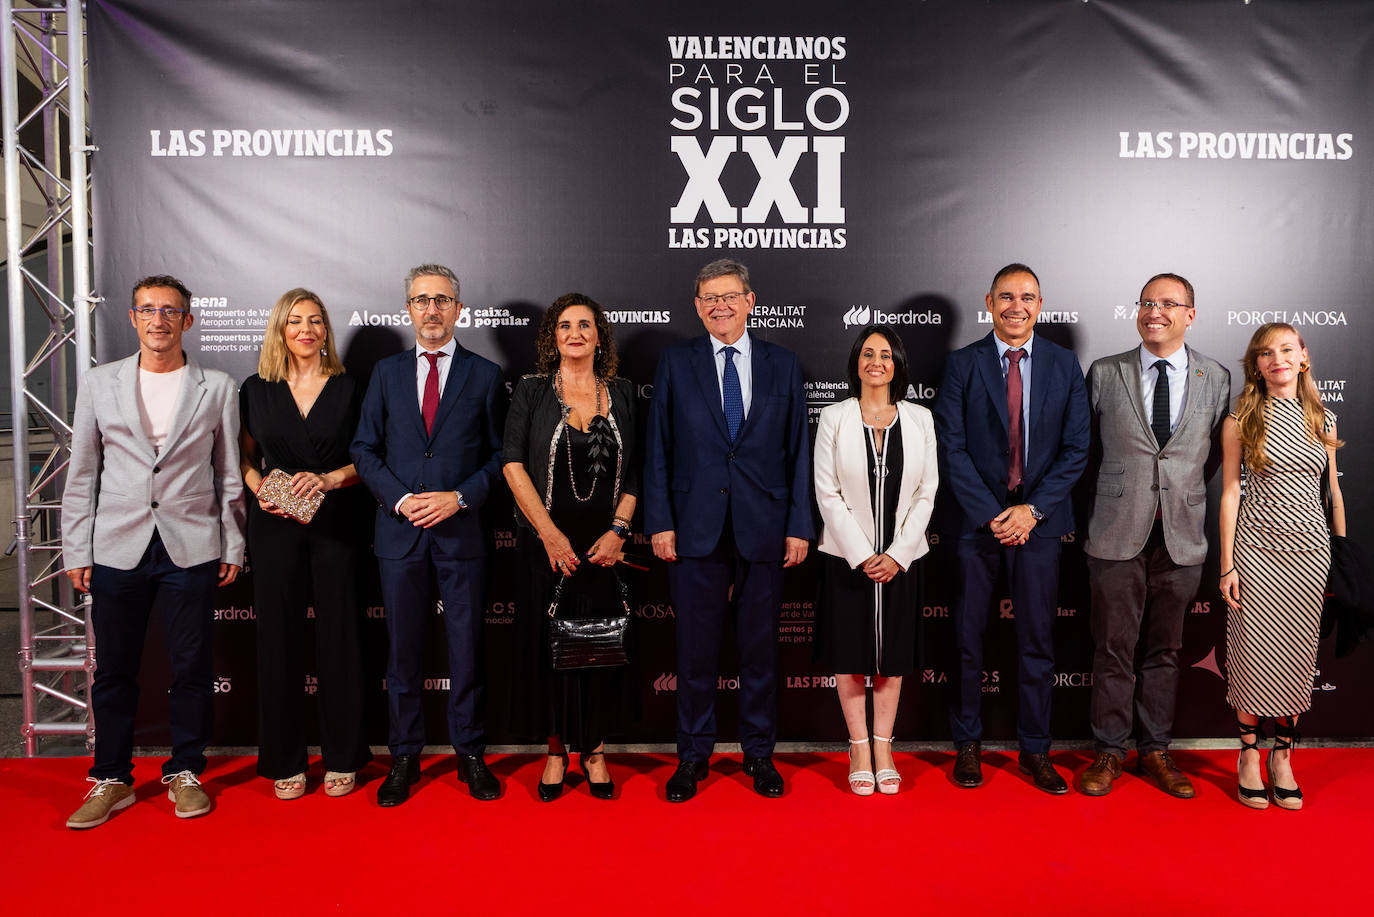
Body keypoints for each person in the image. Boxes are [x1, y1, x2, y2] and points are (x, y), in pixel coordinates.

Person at [61, 275, 246, 828]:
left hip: (190, 545)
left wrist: (232, 540)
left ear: (188, 321)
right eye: (147, 310)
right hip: (117, 544)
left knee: (191, 666)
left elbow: (229, 474)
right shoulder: (99, 383)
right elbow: (82, 473)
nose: (158, 320)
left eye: (170, 311)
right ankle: (111, 777)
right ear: (133, 318)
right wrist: (77, 547)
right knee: (114, 669)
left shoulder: (217, 386)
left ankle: (185, 770)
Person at [644, 257, 813, 802]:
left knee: (761, 653)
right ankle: (692, 757)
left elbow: (798, 452)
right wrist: (661, 522)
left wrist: (798, 526)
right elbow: (659, 450)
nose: (720, 305)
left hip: (765, 527)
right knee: (695, 654)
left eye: (730, 295)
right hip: (694, 529)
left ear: (750, 300)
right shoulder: (675, 362)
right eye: (709, 297)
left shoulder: (784, 364)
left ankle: (759, 756)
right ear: (697, 306)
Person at [351, 263, 505, 807]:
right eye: (422, 300)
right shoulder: (386, 373)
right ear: (409, 309)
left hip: (461, 533)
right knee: (403, 653)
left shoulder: (485, 375)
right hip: (399, 533)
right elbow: (364, 450)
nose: (432, 310)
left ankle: (469, 753)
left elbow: (499, 458)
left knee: (466, 649)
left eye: (442, 300)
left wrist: (458, 497)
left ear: (458, 309)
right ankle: (404, 755)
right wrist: (399, 498)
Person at [933, 263, 1089, 795]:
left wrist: (1031, 511)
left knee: (1037, 642)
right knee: (966, 641)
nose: (1016, 306)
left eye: (1027, 297)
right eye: (1006, 297)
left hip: (1040, 525)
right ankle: (968, 745)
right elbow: (949, 447)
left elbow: (1076, 450)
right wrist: (993, 514)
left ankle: (1035, 750)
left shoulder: (1066, 365)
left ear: (1040, 304)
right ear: (989, 302)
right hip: (977, 525)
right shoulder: (961, 365)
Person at [1079, 273, 1231, 798]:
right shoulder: (1105, 372)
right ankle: (1109, 751)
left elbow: (1210, 456)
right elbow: (1087, 455)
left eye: (1169, 303)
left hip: (1183, 536)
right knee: (1113, 649)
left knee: (1165, 650)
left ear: (1191, 313)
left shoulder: (1216, 376)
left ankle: (1156, 751)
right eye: (1146, 302)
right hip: (1116, 532)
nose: (1155, 312)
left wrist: (1177, 490)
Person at [503, 293, 639, 801]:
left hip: (606, 550)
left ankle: (596, 751)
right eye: (565, 326)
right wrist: (549, 533)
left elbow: (639, 471)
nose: (575, 333)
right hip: (543, 546)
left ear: (599, 335)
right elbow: (512, 463)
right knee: (549, 650)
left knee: (599, 648)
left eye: (585, 325)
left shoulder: (622, 393)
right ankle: (557, 751)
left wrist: (619, 531)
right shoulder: (532, 391)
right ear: (552, 337)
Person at [239, 288, 371, 800]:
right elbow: (244, 460)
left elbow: (371, 459)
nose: (306, 330)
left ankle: (342, 756)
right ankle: (283, 759)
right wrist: (261, 491)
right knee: (277, 641)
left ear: (326, 331)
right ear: (280, 329)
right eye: (295, 321)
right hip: (274, 525)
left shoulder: (350, 387)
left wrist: (331, 478)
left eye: (315, 321)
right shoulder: (255, 388)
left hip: (338, 522)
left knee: (340, 638)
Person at [1218, 322, 1343, 810]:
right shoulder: (1241, 420)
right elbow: (1229, 494)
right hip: (1255, 553)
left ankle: (1282, 756)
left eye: (1287, 350)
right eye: (1266, 353)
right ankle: (1248, 755)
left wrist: (1342, 553)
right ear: (1257, 364)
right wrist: (1227, 565)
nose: (1278, 359)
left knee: (1295, 658)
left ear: (1303, 357)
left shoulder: (1324, 420)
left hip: (1310, 556)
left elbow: (1331, 492)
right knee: (1252, 658)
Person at [813, 325, 938, 796]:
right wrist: (865, 555)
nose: (876, 362)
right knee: (850, 656)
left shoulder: (920, 419)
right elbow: (826, 492)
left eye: (885, 355)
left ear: (898, 364)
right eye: (868, 353)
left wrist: (899, 554)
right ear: (856, 363)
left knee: (892, 659)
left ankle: (885, 746)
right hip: (847, 558)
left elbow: (928, 491)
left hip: (903, 560)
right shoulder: (835, 417)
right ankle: (859, 747)